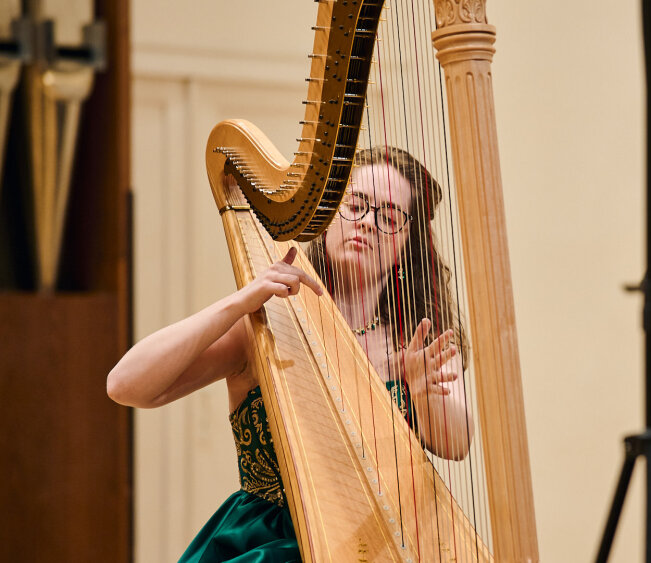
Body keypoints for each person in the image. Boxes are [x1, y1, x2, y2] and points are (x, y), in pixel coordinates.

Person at [107, 146, 473, 561]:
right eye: (356, 206)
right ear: (329, 214)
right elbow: (125, 385)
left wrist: (425, 396)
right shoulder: (265, 326)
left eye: (389, 218)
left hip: (379, 542)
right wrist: (238, 303)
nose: (368, 223)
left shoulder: (421, 339)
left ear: (408, 244)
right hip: (265, 543)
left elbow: (456, 444)